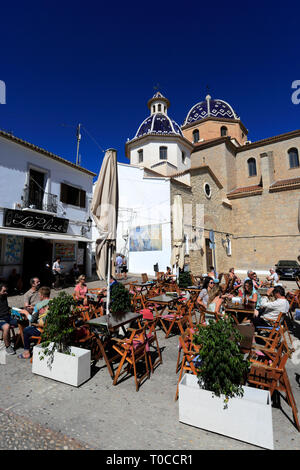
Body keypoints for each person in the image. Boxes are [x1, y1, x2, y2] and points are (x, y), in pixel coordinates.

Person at [18, 287, 51, 359]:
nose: (39, 296)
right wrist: (34, 308)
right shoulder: (53, 301)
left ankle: (26, 353)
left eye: (39, 295)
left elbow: (32, 319)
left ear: (42, 295)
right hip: (52, 329)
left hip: (43, 330)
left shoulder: (38, 305)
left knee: (26, 330)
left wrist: (26, 313)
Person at [0, 283, 17, 355]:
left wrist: (14, 310)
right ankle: (7, 346)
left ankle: (20, 340)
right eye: (4, 291)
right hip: (0, 319)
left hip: (7, 316)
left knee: (22, 319)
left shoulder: (4, 296)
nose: (6, 293)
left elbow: (5, 307)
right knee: (6, 327)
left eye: (6, 291)